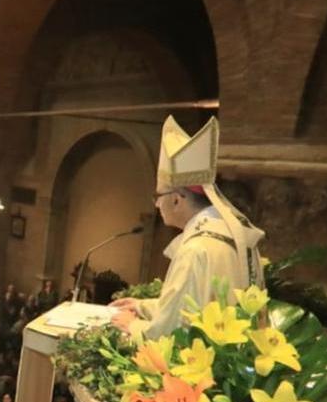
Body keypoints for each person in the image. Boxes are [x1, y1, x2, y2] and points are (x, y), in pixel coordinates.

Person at [111, 116, 265, 339]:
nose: (156, 204)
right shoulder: (235, 237)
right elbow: (197, 308)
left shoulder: (196, 250)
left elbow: (168, 333)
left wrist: (132, 325)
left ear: (177, 199)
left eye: (159, 196)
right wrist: (142, 306)